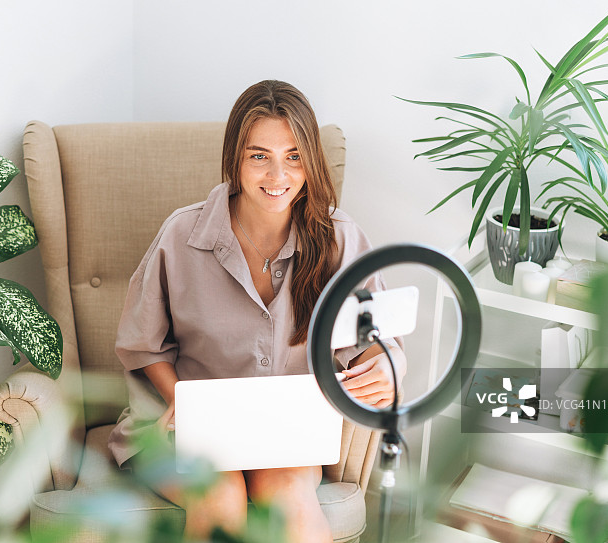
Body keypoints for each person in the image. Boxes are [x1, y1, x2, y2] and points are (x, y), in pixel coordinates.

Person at [108, 80, 406, 543]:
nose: (277, 175)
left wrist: (388, 368)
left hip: (286, 434)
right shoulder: (181, 235)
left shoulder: (340, 239)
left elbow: (378, 342)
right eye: (259, 156)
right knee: (219, 495)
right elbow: (142, 347)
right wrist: (182, 403)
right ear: (235, 159)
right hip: (180, 429)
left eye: (293, 156)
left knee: (288, 495)